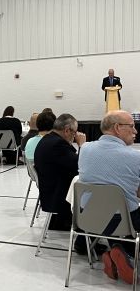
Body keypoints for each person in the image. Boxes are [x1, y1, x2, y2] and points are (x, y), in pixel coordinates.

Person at [78, 110, 140, 284]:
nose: (135, 131)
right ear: (118, 128)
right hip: (124, 222)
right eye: (132, 126)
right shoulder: (135, 157)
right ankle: (123, 251)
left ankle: (117, 252)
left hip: (88, 219)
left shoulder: (85, 149)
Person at [34, 114, 86, 231]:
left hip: (49, 191)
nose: (75, 136)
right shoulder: (57, 144)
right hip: (58, 196)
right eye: (75, 132)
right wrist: (82, 145)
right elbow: (80, 164)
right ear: (67, 130)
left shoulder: (48, 139)